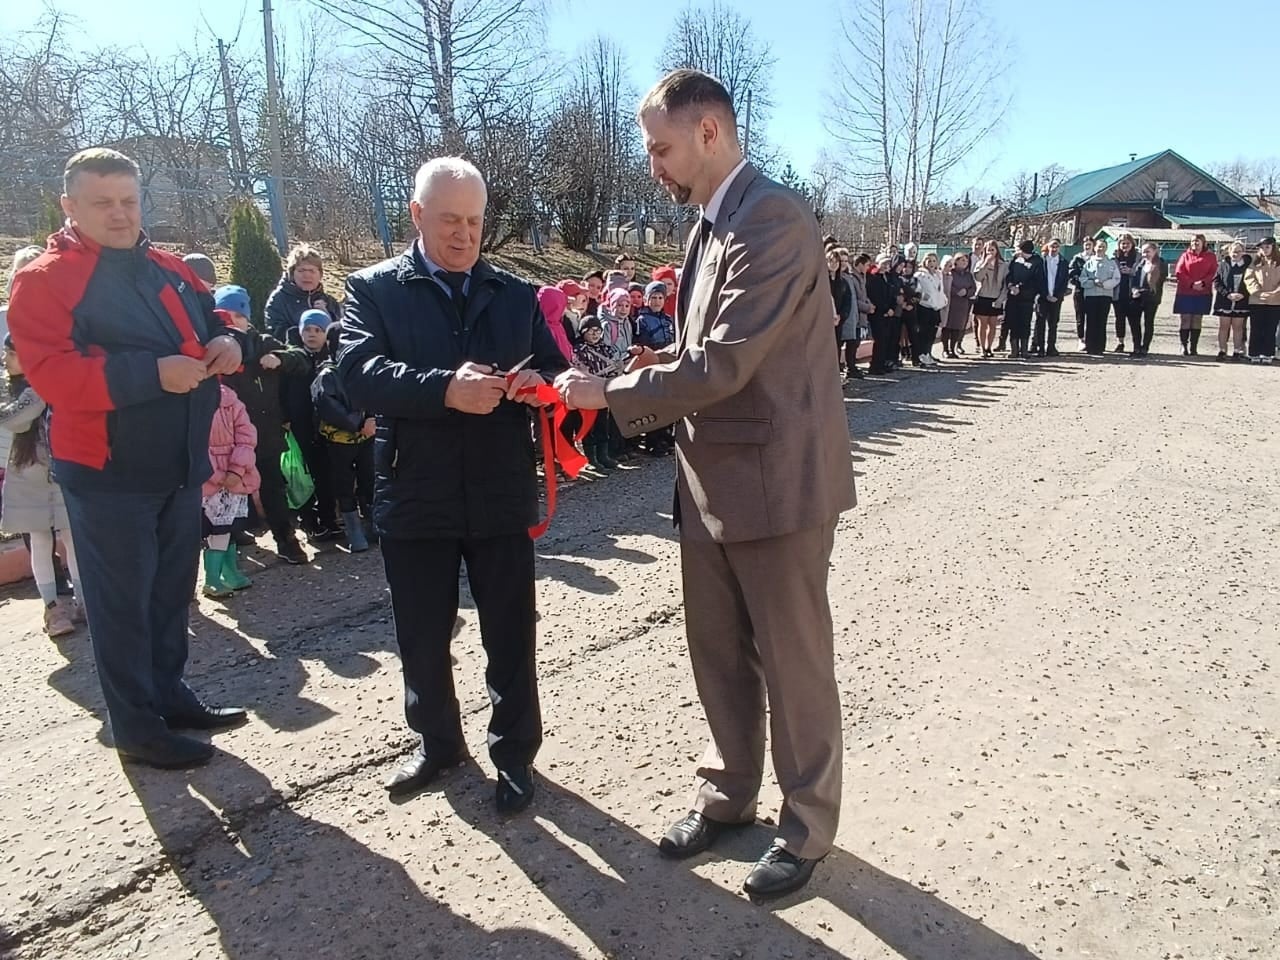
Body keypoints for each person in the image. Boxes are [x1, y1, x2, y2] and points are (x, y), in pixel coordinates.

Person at [555, 69, 855, 901]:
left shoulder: (773, 220)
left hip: (778, 482)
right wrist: (657, 367)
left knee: (793, 662)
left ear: (710, 133)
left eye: (662, 146)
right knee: (718, 653)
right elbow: (713, 355)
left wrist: (610, 393)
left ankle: (807, 828)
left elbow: (724, 362)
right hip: (712, 478)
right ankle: (730, 795)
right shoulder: (709, 225)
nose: (653, 163)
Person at [338, 157, 567, 813]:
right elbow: (358, 374)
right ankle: (438, 743)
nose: (464, 235)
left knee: (511, 631)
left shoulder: (515, 293)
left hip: (499, 487)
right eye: (449, 221)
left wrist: (535, 384)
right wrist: (444, 390)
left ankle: (515, 755)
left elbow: (553, 366)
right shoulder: (373, 290)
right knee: (421, 632)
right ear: (416, 216)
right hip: (415, 489)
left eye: (473, 221)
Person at [7, 147, 248, 769]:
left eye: (128, 201)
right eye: (102, 203)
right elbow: (55, 375)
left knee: (171, 592)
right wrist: (151, 373)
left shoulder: (168, 265)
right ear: (70, 206)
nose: (119, 215)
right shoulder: (44, 279)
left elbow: (212, 315)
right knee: (123, 603)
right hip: (109, 471)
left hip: (180, 459)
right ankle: (135, 727)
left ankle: (170, 695)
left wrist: (225, 340)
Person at [215, 285, 310, 565]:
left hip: (264, 430)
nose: (232, 322)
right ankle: (228, 548)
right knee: (225, 489)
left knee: (272, 485)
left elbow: (301, 358)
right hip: (227, 435)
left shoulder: (263, 342)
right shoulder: (216, 346)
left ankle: (285, 538)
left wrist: (279, 358)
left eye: (237, 315)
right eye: (225, 316)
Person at [1, 334, 84, 637]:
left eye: (10, 353)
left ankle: (84, 601)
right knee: (40, 542)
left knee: (72, 538)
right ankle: (52, 608)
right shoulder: (13, 389)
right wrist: (42, 389)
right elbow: (13, 420)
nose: (5, 359)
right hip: (28, 477)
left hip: (62, 470)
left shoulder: (54, 382)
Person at [313, 324, 376, 553]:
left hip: (366, 437)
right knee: (344, 484)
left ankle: (373, 523)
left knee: (369, 477)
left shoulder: (361, 369)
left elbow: (373, 395)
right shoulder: (328, 374)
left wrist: (371, 419)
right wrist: (358, 423)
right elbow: (328, 406)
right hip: (339, 440)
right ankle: (353, 530)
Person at [283, 309, 341, 541]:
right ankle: (308, 520)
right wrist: (284, 419)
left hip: (326, 428)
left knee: (327, 474)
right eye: (307, 329)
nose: (312, 334)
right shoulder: (293, 360)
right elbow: (283, 394)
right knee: (303, 475)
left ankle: (328, 518)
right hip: (300, 427)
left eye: (318, 330)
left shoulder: (331, 360)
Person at [200, 384, 261, 598]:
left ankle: (230, 572)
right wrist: (217, 475)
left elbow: (246, 435)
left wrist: (237, 469)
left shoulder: (231, 402)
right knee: (217, 529)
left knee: (231, 525)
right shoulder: (190, 403)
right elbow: (194, 445)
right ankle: (212, 578)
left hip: (236, 476)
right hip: (210, 479)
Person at [265, 244, 343, 342]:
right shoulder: (279, 299)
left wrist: (327, 318)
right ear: (292, 274)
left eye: (312, 271)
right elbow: (276, 334)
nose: (307, 275)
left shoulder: (329, 301)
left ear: (320, 275)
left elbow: (343, 333)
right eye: (301, 270)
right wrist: (308, 327)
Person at [1172, 234, 1218, 356]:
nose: (1195, 244)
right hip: (1186, 292)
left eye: (1197, 242)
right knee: (1185, 319)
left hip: (1202, 292)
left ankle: (1193, 346)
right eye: (1192, 241)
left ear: (1204, 243)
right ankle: (1183, 345)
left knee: (1197, 319)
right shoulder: (1185, 255)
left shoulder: (1211, 257)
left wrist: (1203, 283)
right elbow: (1179, 272)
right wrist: (1191, 284)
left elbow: (1214, 273)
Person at [1004, 240, 1046, 360]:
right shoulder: (1015, 260)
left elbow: (1036, 280)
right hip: (1013, 297)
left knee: (1025, 324)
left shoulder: (1037, 261)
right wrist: (1011, 286)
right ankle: (1014, 350)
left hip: (1027, 298)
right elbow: (1008, 275)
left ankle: (1024, 350)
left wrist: (1020, 287)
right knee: (1013, 323)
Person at [1081, 237, 1121, 355]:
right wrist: (1093, 282)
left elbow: (1117, 278)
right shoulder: (1088, 263)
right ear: (1094, 247)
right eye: (1099, 246)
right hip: (1091, 295)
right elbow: (1082, 278)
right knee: (1091, 321)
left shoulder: (1111, 263)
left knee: (1102, 321)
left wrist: (1106, 284)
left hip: (1105, 296)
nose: (1101, 249)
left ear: (1106, 249)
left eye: (1103, 247)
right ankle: (1090, 346)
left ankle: (1100, 347)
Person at [1213, 241, 1252, 361]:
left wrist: (1243, 294)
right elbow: (1217, 281)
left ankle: (1237, 351)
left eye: (1239, 251)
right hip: (1225, 300)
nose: (1236, 254)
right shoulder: (1223, 264)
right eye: (1233, 251)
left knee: (1238, 327)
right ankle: (1222, 351)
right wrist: (1227, 294)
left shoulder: (1248, 265)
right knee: (1223, 326)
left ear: (1243, 252)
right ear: (1229, 252)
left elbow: (1251, 282)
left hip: (1241, 300)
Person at [1244, 237, 1280, 364]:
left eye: (1267, 247)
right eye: (1262, 247)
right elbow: (1249, 278)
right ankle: (1254, 352)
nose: (1264, 250)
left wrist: (1275, 293)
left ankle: (1268, 353)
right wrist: (1258, 292)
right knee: (1256, 328)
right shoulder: (1255, 261)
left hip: (1275, 301)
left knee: (1270, 328)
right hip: (1257, 300)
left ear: (1273, 247)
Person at [1130, 243, 1167, 359]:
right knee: (1135, 323)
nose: (1145, 254)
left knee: (1148, 322)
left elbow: (1161, 280)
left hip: (1152, 298)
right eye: (1143, 251)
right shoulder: (1140, 264)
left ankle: (1145, 347)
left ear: (1155, 251)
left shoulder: (1161, 264)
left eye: (1148, 251)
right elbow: (1134, 279)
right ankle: (1136, 346)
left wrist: (1152, 270)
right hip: (1137, 297)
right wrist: (1134, 290)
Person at [972, 240, 1007, 359]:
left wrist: (1000, 299)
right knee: (982, 324)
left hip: (996, 298)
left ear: (997, 251)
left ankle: (989, 347)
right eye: (988, 250)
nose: (991, 252)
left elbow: (1005, 284)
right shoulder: (980, 263)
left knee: (993, 325)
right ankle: (982, 348)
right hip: (983, 297)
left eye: (993, 249)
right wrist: (985, 264)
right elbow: (978, 277)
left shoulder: (1003, 265)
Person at [1034, 239, 1069, 357]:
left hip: (1056, 298)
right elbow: (1038, 280)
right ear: (1047, 247)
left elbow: (1064, 281)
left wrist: (1057, 296)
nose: (1054, 249)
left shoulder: (1064, 262)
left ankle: (1051, 347)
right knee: (1040, 323)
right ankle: (1040, 348)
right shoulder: (1041, 261)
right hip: (1043, 297)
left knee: (1053, 324)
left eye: (1056, 247)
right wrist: (1045, 295)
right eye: (1052, 246)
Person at [866, 253, 899, 374]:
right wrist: (885, 310)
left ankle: (883, 363)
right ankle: (875, 365)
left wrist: (892, 308)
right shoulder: (873, 278)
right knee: (879, 340)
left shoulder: (888, 277)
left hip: (889, 313)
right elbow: (875, 297)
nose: (886, 266)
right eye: (883, 263)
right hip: (878, 314)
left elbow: (892, 295)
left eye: (888, 264)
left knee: (886, 340)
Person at [1109, 233, 1141, 355]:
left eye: (1127, 243)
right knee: (1119, 319)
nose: (1125, 245)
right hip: (1118, 293)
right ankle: (1120, 342)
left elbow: (1143, 273)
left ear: (1132, 244)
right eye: (1122, 243)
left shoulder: (1138, 257)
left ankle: (1137, 345)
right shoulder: (1114, 257)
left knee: (1134, 321)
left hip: (1133, 293)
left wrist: (1131, 271)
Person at [913, 253, 947, 366]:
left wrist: (943, 299)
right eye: (929, 261)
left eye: (933, 260)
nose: (932, 263)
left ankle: (928, 353)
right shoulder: (920, 275)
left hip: (935, 307)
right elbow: (916, 289)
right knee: (924, 332)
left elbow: (940, 290)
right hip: (925, 307)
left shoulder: (938, 275)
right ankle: (921, 354)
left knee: (932, 332)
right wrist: (923, 296)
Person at [844, 253, 874, 379]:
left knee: (856, 342)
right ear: (859, 265)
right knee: (852, 342)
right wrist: (867, 307)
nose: (868, 268)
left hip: (860, 315)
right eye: (866, 265)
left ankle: (852, 365)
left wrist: (869, 304)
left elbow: (863, 295)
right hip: (854, 315)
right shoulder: (852, 278)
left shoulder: (861, 277)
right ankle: (849, 367)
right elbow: (854, 299)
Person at [826, 243, 854, 376]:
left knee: (836, 349)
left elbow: (847, 302)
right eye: (831, 261)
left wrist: (841, 317)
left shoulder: (843, 282)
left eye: (836, 262)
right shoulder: (822, 281)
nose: (834, 264)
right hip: (824, 321)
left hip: (838, 321)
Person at [940, 253, 974, 359]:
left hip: (963, 304)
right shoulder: (950, 273)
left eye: (966, 261)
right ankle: (945, 349)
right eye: (962, 260)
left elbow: (973, 288)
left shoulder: (968, 275)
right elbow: (946, 285)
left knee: (957, 327)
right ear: (956, 261)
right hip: (951, 303)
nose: (964, 262)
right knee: (947, 327)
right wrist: (956, 291)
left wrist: (967, 292)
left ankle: (953, 348)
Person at [1068, 238, 1094, 349]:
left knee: (1092, 316)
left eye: (1089, 244)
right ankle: (1081, 339)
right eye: (1085, 244)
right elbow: (1071, 271)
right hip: (1079, 290)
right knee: (1080, 316)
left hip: (1093, 291)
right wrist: (1077, 280)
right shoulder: (1077, 258)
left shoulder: (1096, 258)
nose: (1087, 246)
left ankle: (1091, 340)